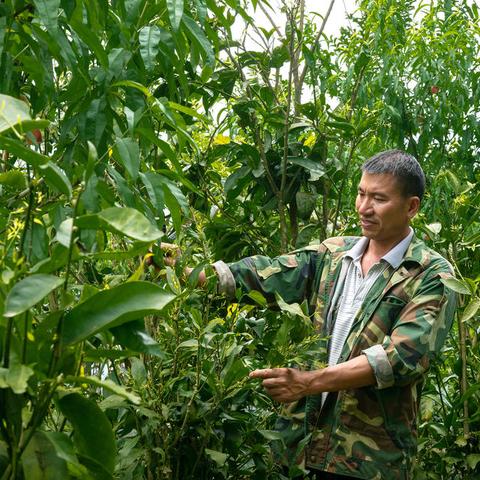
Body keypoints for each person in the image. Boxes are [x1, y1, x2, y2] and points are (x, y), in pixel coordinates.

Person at [160, 150, 456, 479]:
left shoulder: (430, 274)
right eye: (361, 193)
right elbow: (264, 276)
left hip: (367, 459)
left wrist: (306, 383)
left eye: (379, 198)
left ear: (411, 206)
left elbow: (400, 358)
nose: (363, 208)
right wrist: (185, 270)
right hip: (300, 445)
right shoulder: (334, 253)